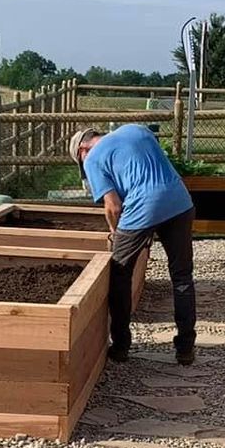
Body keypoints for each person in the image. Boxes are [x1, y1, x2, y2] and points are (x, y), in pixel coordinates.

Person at [70, 124, 197, 365]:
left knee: (119, 274)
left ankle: (120, 347)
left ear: (82, 150)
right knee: (182, 277)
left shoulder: (92, 159)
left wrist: (115, 231)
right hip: (180, 201)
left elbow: (113, 206)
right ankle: (185, 349)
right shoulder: (137, 129)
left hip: (141, 208)